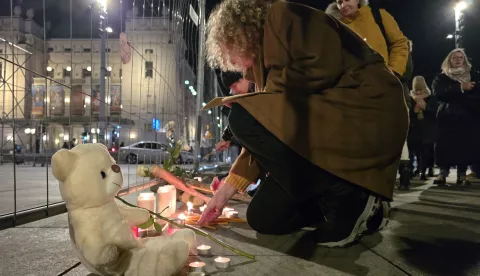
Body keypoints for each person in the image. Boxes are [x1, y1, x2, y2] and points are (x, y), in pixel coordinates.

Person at [198, 0, 408, 247]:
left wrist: (259, 102)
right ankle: (356, 211)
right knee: (264, 219)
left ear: (238, 33)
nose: (234, 63)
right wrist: (222, 196)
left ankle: (349, 197)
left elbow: (321, 65)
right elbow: (265, 133)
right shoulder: (265, 66)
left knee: (241, 116)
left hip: (364, 111)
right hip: (331, 121)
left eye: (229, 48)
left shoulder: (282, 16)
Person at [432, 49, 480, 186]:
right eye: (454, 58)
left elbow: (477, 95)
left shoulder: (474, 76)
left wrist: (457, 94)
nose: (458, 59)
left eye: (461, 57)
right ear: (449, 61)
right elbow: (439, 94)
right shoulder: (441, 78)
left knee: (464, 146)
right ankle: (443, 173)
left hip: (467, 117)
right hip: (447, 117)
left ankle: (462, 175)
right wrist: (461, 88)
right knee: (444, 146)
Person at [407, 76, 436, 183]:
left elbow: (434, 112)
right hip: (415, 128)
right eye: (416, 90)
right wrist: (414, 112)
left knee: (427, 150)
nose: (419, 92)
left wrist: (425, 108)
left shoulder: (430, 97)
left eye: (421, 90)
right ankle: (417, 169)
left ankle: (426, 169)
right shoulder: (410, 98)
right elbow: (408, 113)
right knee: (416, 150)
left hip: (427, 128)